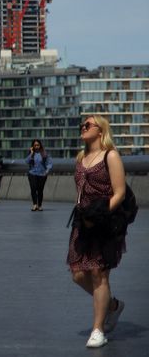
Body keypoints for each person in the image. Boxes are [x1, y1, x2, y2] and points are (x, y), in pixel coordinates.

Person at [68, 116, 128, 348]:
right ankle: (112, 305)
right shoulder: (81, 158)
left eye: (88, 125)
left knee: (98, 273)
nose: (83, 128)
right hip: (82, 222)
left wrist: (100, 215)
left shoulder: (110, 155)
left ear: (101, 130)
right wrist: (83, 215)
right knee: (78, 274)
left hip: (104, 221)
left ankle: (98, 329)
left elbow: (119, 192)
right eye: (82, 125)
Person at [27, 139, 53, 211]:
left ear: (40, 145)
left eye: (37, 145)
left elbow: (49, 162)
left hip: (42, 174)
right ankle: (35, 205)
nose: (36, 146)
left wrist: (47, 171)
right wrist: (31, 153)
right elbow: (27, 161)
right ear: (32, 146)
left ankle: (40, 205)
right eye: (35, 145)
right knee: (33, 189)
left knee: (40, 190)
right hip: (32, 173)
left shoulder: (44, 153)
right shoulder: (31, 153)